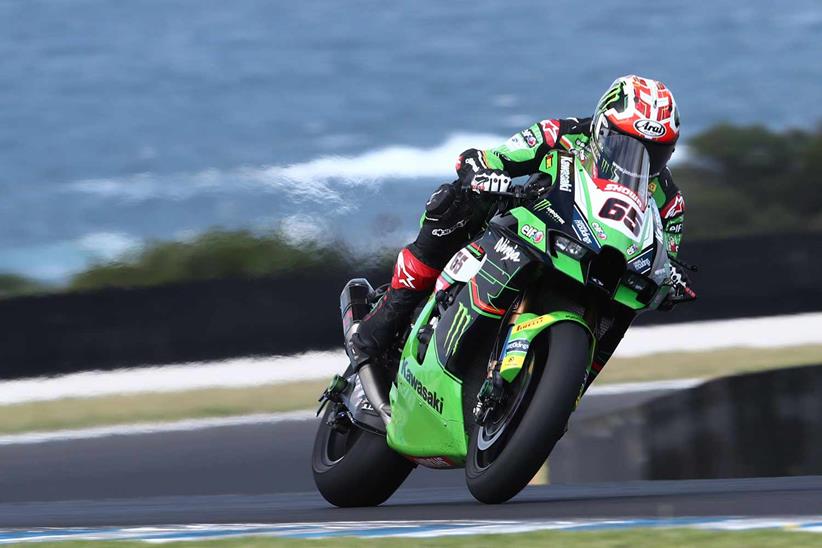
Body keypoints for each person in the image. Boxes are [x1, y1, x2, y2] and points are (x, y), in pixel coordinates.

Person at [347, 75, 694, 391]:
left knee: (632, 299)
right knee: (455, 201)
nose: (638, 161)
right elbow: (489, 158)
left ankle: (567, 391)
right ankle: (390, 314)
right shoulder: (562, 134)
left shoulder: (669, 200)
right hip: (529, 228)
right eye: (627, 146)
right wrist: (484, 174)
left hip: (595, 262)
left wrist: (672, 279)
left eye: (654, 153)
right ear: (602, 129)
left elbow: (669, 255)